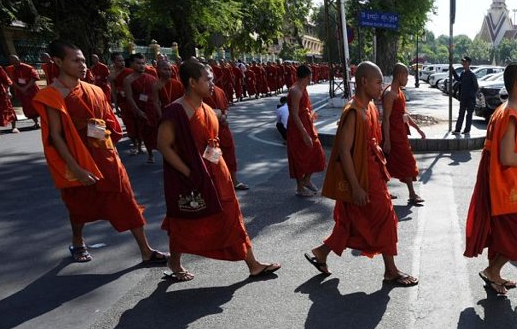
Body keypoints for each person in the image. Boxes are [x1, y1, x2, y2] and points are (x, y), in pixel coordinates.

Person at [32, 40, 167, 265]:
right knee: (79, 208)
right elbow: (55, 136)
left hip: (106, 156)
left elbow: (109, 124)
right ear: (57, 61)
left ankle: (146, 250)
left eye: (83, 60)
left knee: (127, 201)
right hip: (76, 160)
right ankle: (78, 242)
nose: (82, 65)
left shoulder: (94, 90)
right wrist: (76, 169)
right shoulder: (51, 95)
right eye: (75, 60)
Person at [155, 60, 280, 281]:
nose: (213, 84)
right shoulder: (176, 111)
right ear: (193, 82)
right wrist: (188, 172)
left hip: (217, 174)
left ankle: (252, 264)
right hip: (192, 177)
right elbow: (163, 145)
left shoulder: (207, 109)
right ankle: (174, 261)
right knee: (185, 221)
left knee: (232, 216)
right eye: (208, 79)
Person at [306, 61, 418, 286]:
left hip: (372, 172)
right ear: (364, 82)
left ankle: (321, 253)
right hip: (361, 177)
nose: (381, 87)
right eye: (378, 82)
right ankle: (391, 271)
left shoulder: (370, 108)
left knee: (352, 220)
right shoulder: (354, 111)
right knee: (386, 218)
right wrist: (356, 187)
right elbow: (343, 152)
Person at [464, 63, 517, 295]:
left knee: (508, 235)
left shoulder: (504, 110)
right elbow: (507, 156)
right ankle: (492, 271)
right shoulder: (511, 114)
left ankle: (494, 272)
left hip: (504, 184)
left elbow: (511, 149)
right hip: (507, 188)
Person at [382, 63, 426, 204]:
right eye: (406, 75)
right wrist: (387, 140)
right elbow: (386, 119)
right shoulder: (390, 94)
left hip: (400, 133)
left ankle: (385, 192)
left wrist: (417, 128)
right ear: (400, 75)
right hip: (393, 136)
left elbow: (404, 114)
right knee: (406, 162)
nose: (407, 79)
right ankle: (412, 194)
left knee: (389, 164)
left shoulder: (399, 92)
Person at [286, 64, 325, 197]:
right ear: (305, 77)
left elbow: (305, 107)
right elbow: (294, 114)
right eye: (309, 77)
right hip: (297, 127)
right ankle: (300, 188)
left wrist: (311, 115)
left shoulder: (304, 88)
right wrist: (304, 134)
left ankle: (306, 180)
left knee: (317, 152)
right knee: (299, 157)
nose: (310, 80)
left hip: (306, 123)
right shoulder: (295, 90)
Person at [203, 80, 248, 190]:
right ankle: (215, 184)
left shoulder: (219, 91)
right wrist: (218, 115)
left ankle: (234, 181)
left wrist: (223, 116)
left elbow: (225, 108)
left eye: (210, 79)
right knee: (213, 158)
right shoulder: (200, 93)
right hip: (209, 131)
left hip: (223, 129)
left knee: (229, 155)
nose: (210, 83)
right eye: (206, 79)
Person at [123, 53, 161, 162]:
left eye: (143, 63)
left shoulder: (152, 78)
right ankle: (150, 154)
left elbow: (157, 96)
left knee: (158, 132)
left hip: (153, 108)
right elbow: (129, 97)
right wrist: (138, 111)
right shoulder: (128, 80)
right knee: (145, 133)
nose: (141, 66)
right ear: (131, 64)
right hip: (140, 110)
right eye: (138, 63)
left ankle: (164, 152)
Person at [7, 55, 40, 129]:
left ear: (19, 60)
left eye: (15, 60)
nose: (14, 62)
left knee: (37, 105)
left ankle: (44, 122)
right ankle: (36, 122)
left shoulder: (28, 67)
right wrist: (21, 89)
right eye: (12, 61)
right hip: (21, 91)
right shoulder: (10, 69)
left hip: (32, 90)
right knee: (28, 107)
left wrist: (25, 88)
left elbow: (34, 78)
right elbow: (11, 80)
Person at [452, 56, 478, 136]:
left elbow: (476, 87)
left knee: (469, 115)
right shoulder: (463, 73)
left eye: (465, 62)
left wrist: (471, 94)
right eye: (463, 62)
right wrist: (453, 71)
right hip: (463, 98)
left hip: (470, 99)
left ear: (469, 64)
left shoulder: (472, 74)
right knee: (461, 114)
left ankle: (467, 130)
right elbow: (459, 79)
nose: (463, 64)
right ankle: (457, 129)